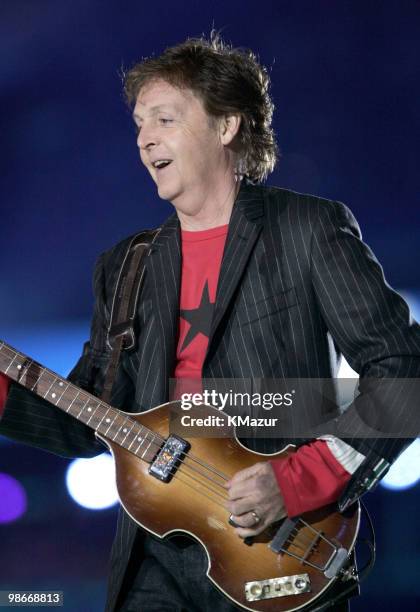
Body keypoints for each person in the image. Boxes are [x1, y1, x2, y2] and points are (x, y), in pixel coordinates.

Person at [0, 34, 419, 612]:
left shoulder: (307, 230)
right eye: (140, 123)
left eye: (165, 119)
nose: (145, 137)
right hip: (155, 561)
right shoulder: (127, 266)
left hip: (274, 545)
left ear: (226, 126)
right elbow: (86, 419)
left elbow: (403, 371)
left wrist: (299, 479)